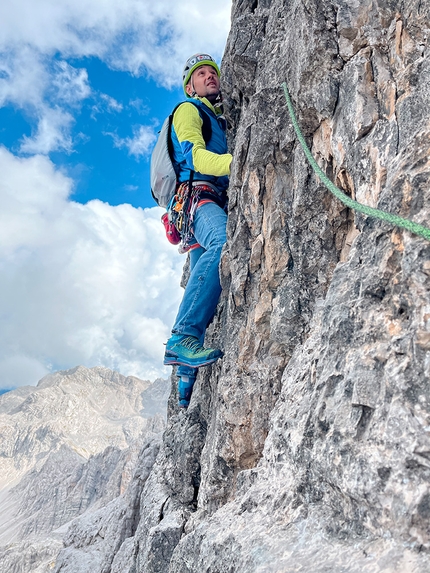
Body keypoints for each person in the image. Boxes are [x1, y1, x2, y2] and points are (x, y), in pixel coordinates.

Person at [163, 53, 232, 408]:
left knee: (200, 278)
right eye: (201, 74)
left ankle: (185, 384)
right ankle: (183, 340)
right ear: (190, 85)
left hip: (200, 204)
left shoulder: (215, 117)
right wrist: (240, 161)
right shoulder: (189, 110)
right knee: (223, 244)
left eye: (213, 72)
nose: (210, 77)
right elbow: (196, 158)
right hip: (198, 199)